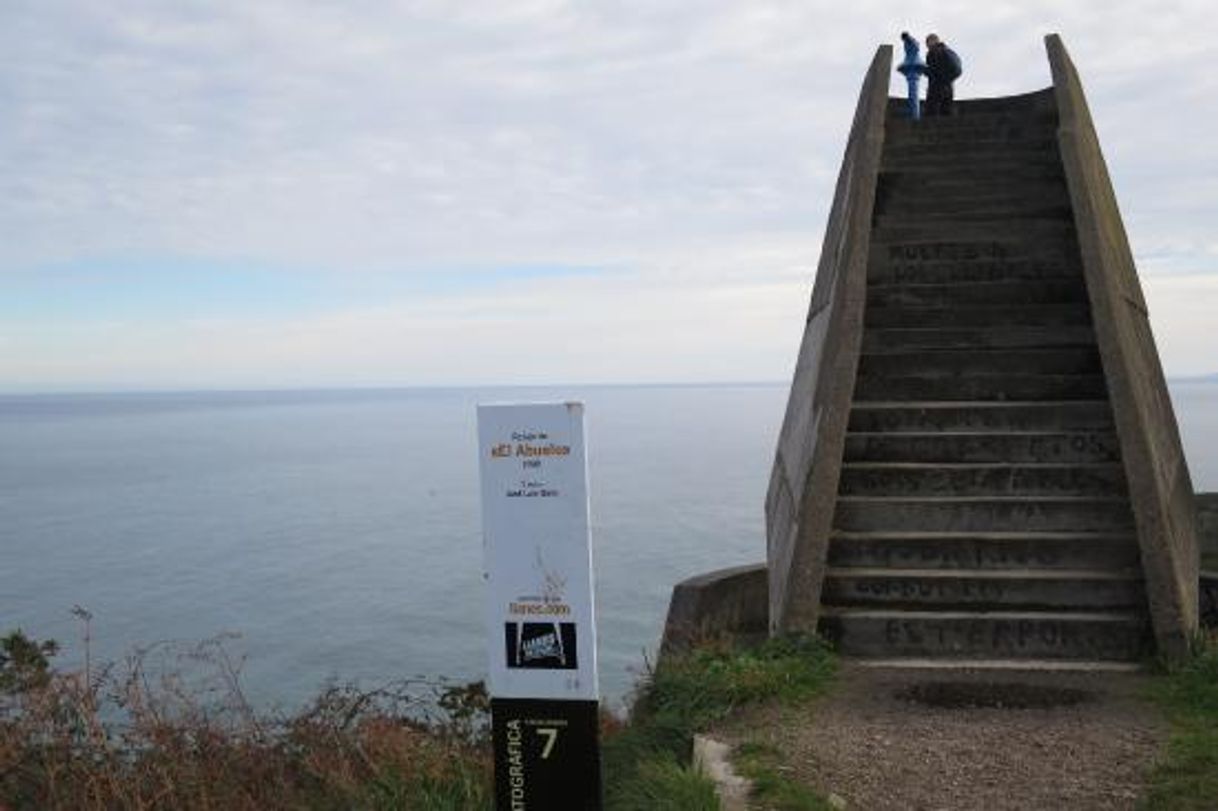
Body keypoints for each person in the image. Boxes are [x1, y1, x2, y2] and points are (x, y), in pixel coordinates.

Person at [923, 34, 962, 116]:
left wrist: (924, 70)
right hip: (948, 85)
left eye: (927, 43)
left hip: (937, 85)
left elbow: (932, 72)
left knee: (931, 110)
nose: (927, 46)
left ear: (932, 41)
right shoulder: (947, 50)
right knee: (946, 109)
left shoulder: (932, 52)